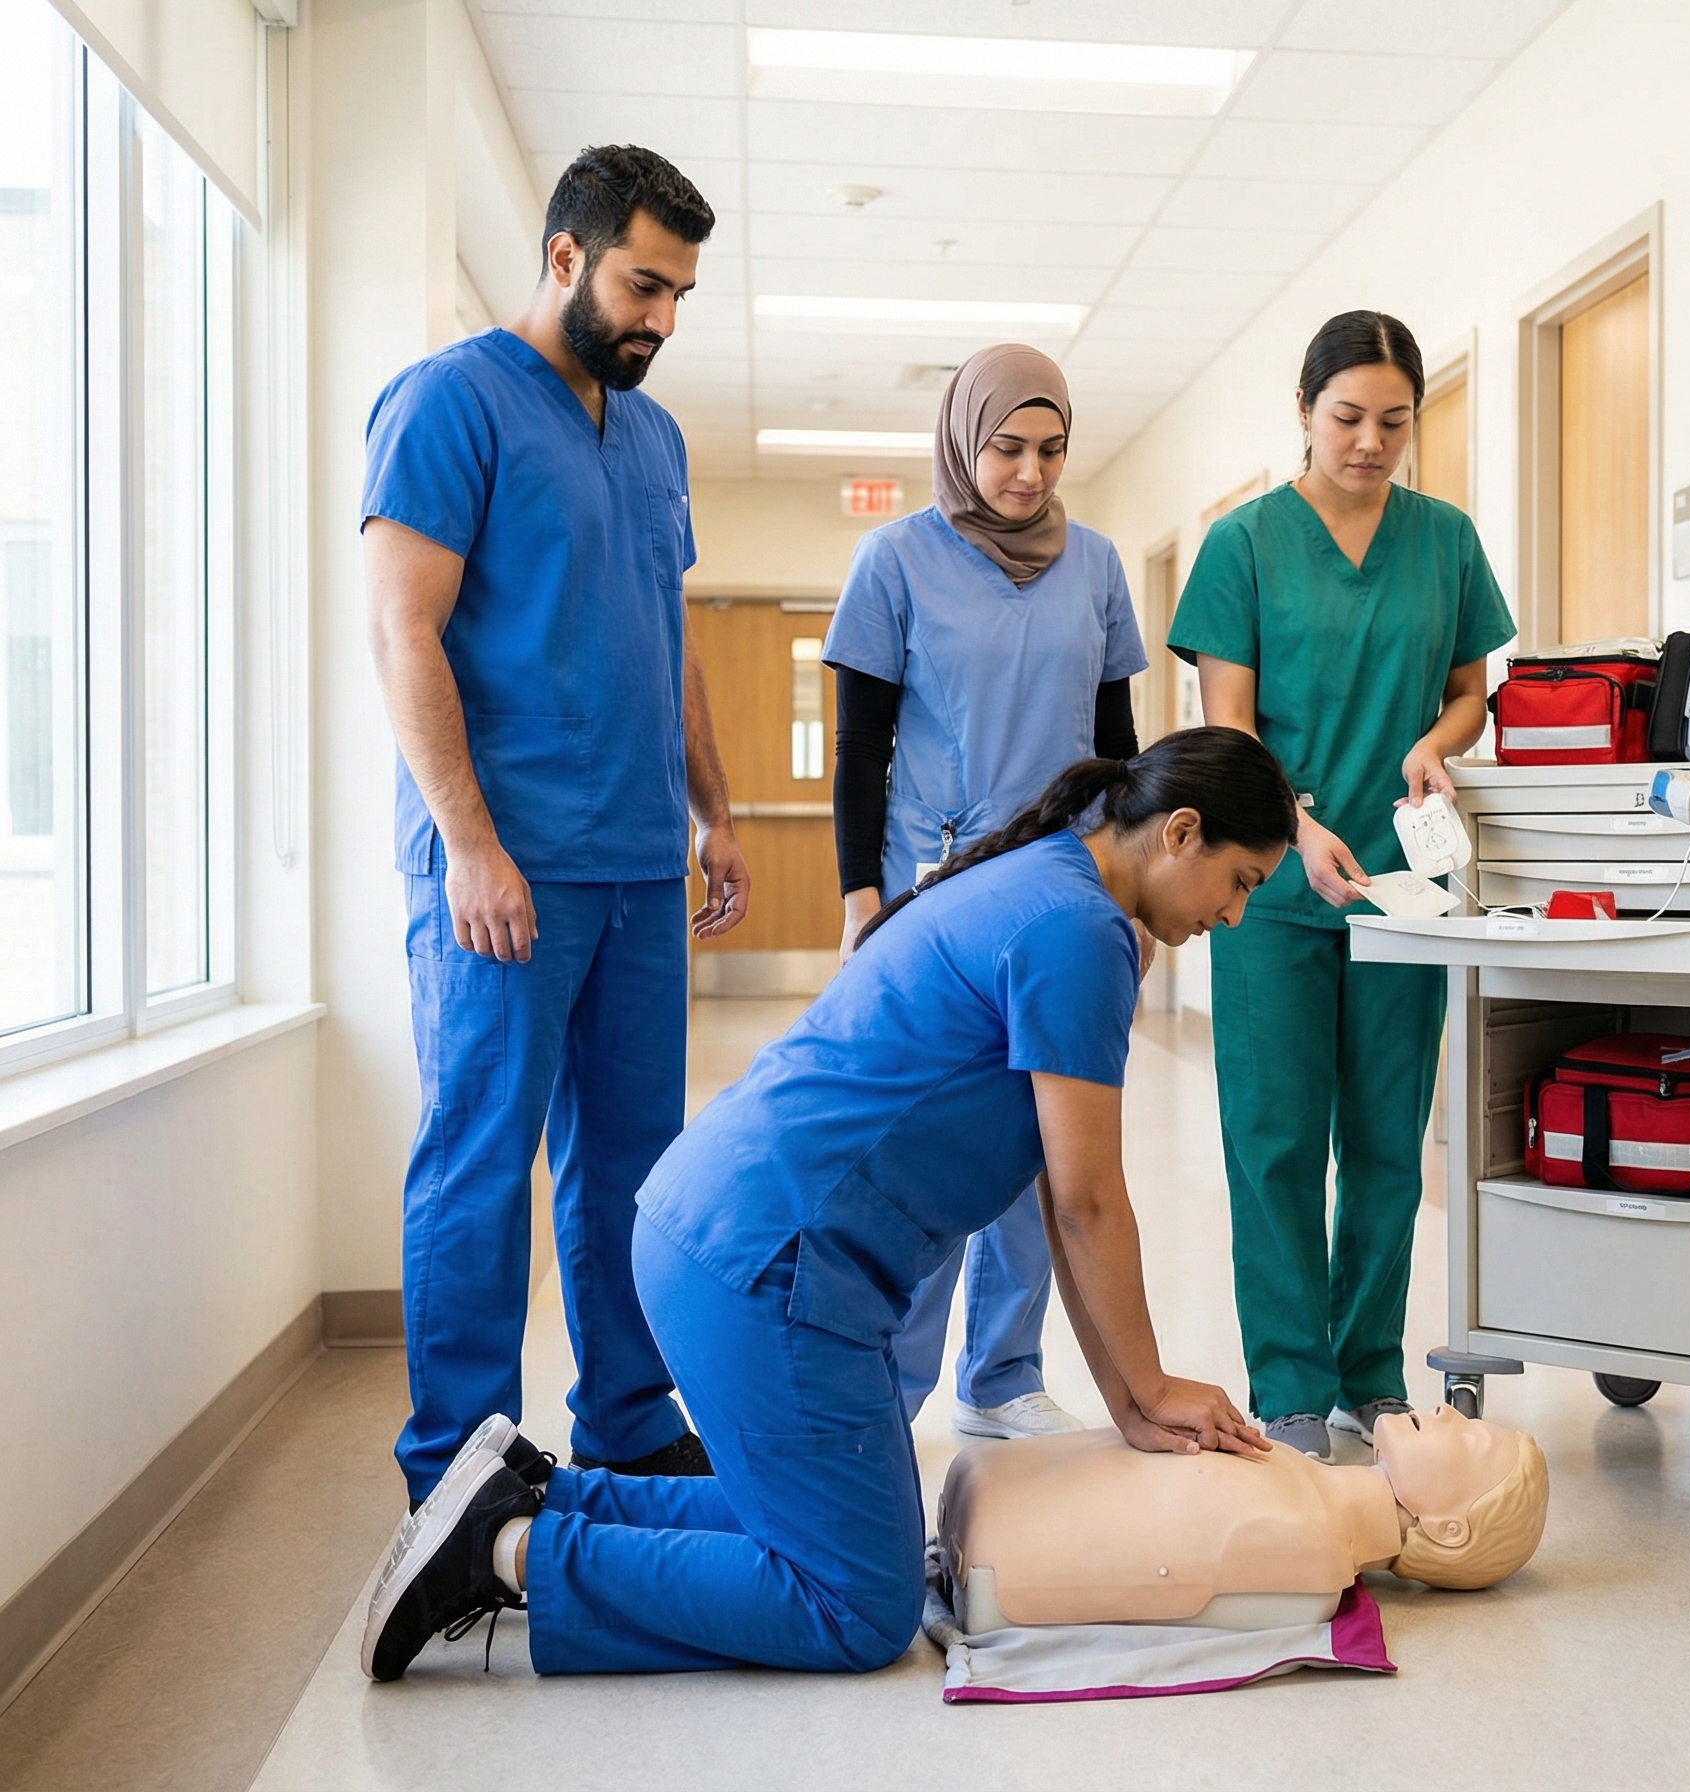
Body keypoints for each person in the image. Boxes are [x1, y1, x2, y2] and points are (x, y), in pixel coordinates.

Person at [360, 729, 1298, 1682]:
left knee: (826, 1522)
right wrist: (1154, 1386)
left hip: (718, 1234)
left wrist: (1132, 1401)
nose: (1233, 914)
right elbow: (1092, 1204)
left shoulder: (1050, 881)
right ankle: (498, 1556)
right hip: (765, 1269)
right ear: (1181, 833)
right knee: (860, 1603)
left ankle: (532, 1503)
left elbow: (1067, 1201)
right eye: (1242, 882)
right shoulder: (1079, 933)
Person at [361, 145, 748, 1508]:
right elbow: (403, 627)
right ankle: (460, 1474)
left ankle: (629, 1421)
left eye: (683, 292)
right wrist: (467, 840)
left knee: (633, 1173)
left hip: (639, 864)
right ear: (569, 257)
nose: (663, 318)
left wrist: (712, 810)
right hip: (504, 869)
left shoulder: (653, 436)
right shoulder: (448, 404)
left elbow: (668, 632)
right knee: (480, 1163)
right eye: (647, 283)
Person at [1170, 311, 1515, 1461]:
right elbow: (1229, 724)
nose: (1370, 442)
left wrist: (1437, 746)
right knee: (1274, 1133)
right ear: (1306, 414)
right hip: (1269, 879)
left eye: (1395, 421)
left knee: (1383, 1138)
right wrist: (1299, 824)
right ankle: (1291, 1382)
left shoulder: (1445, 539)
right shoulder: (1244, 543)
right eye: (1347, 418)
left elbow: (1472, 691)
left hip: (1399, 887)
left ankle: (1369, 1368)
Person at [824, 344, 1146, 1444]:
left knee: (1036, 1139)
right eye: (1007, 446)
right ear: (964, 439)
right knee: (926, 1146)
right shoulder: (894, 560)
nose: (1028, 473)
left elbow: (1118, 748)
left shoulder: (1097, 565)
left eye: (1051, 449)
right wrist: (859, 894)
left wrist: (1135, 902)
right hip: (933, 888)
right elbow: (858, 747)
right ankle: (887, 1388)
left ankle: (1004, 1375)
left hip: (1058, 887)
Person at [937, 1404, 1549, 1632]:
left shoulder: (1311, 1556)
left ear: (1448, 1528)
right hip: (993, 1498)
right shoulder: (1299, 1481)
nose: (1447, 1409)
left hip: (997, 1544)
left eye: (1467, 1439)